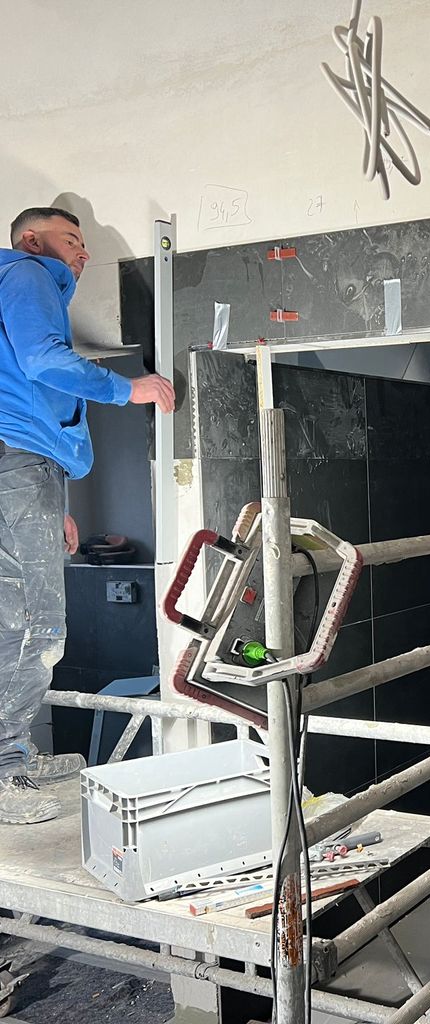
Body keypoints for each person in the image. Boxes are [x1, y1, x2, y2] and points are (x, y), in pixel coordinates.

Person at [0, 207, 175, 824]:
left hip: (20, 468)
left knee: (15, 613)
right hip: (17, 464)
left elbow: (28, 397)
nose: (82, 254)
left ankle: (12, 753)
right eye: (71, 240)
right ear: (32, 239)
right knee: (35, 622)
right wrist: (129, 388)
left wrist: (62, 504)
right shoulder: (27, 274)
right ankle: (5, 769)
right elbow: (45, 365)